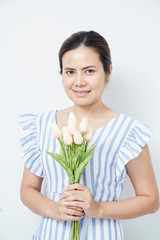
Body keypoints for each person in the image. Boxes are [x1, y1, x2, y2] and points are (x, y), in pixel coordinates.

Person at [19, 30, 159, 240]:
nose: (79, 82)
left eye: (89, 71)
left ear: (108, 72)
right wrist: (54, 209)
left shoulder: (128, 131)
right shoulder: (43, 125)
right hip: (50, 234)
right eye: (70, 72)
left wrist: (99, 209)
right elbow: (28, 189)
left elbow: (151, 200)